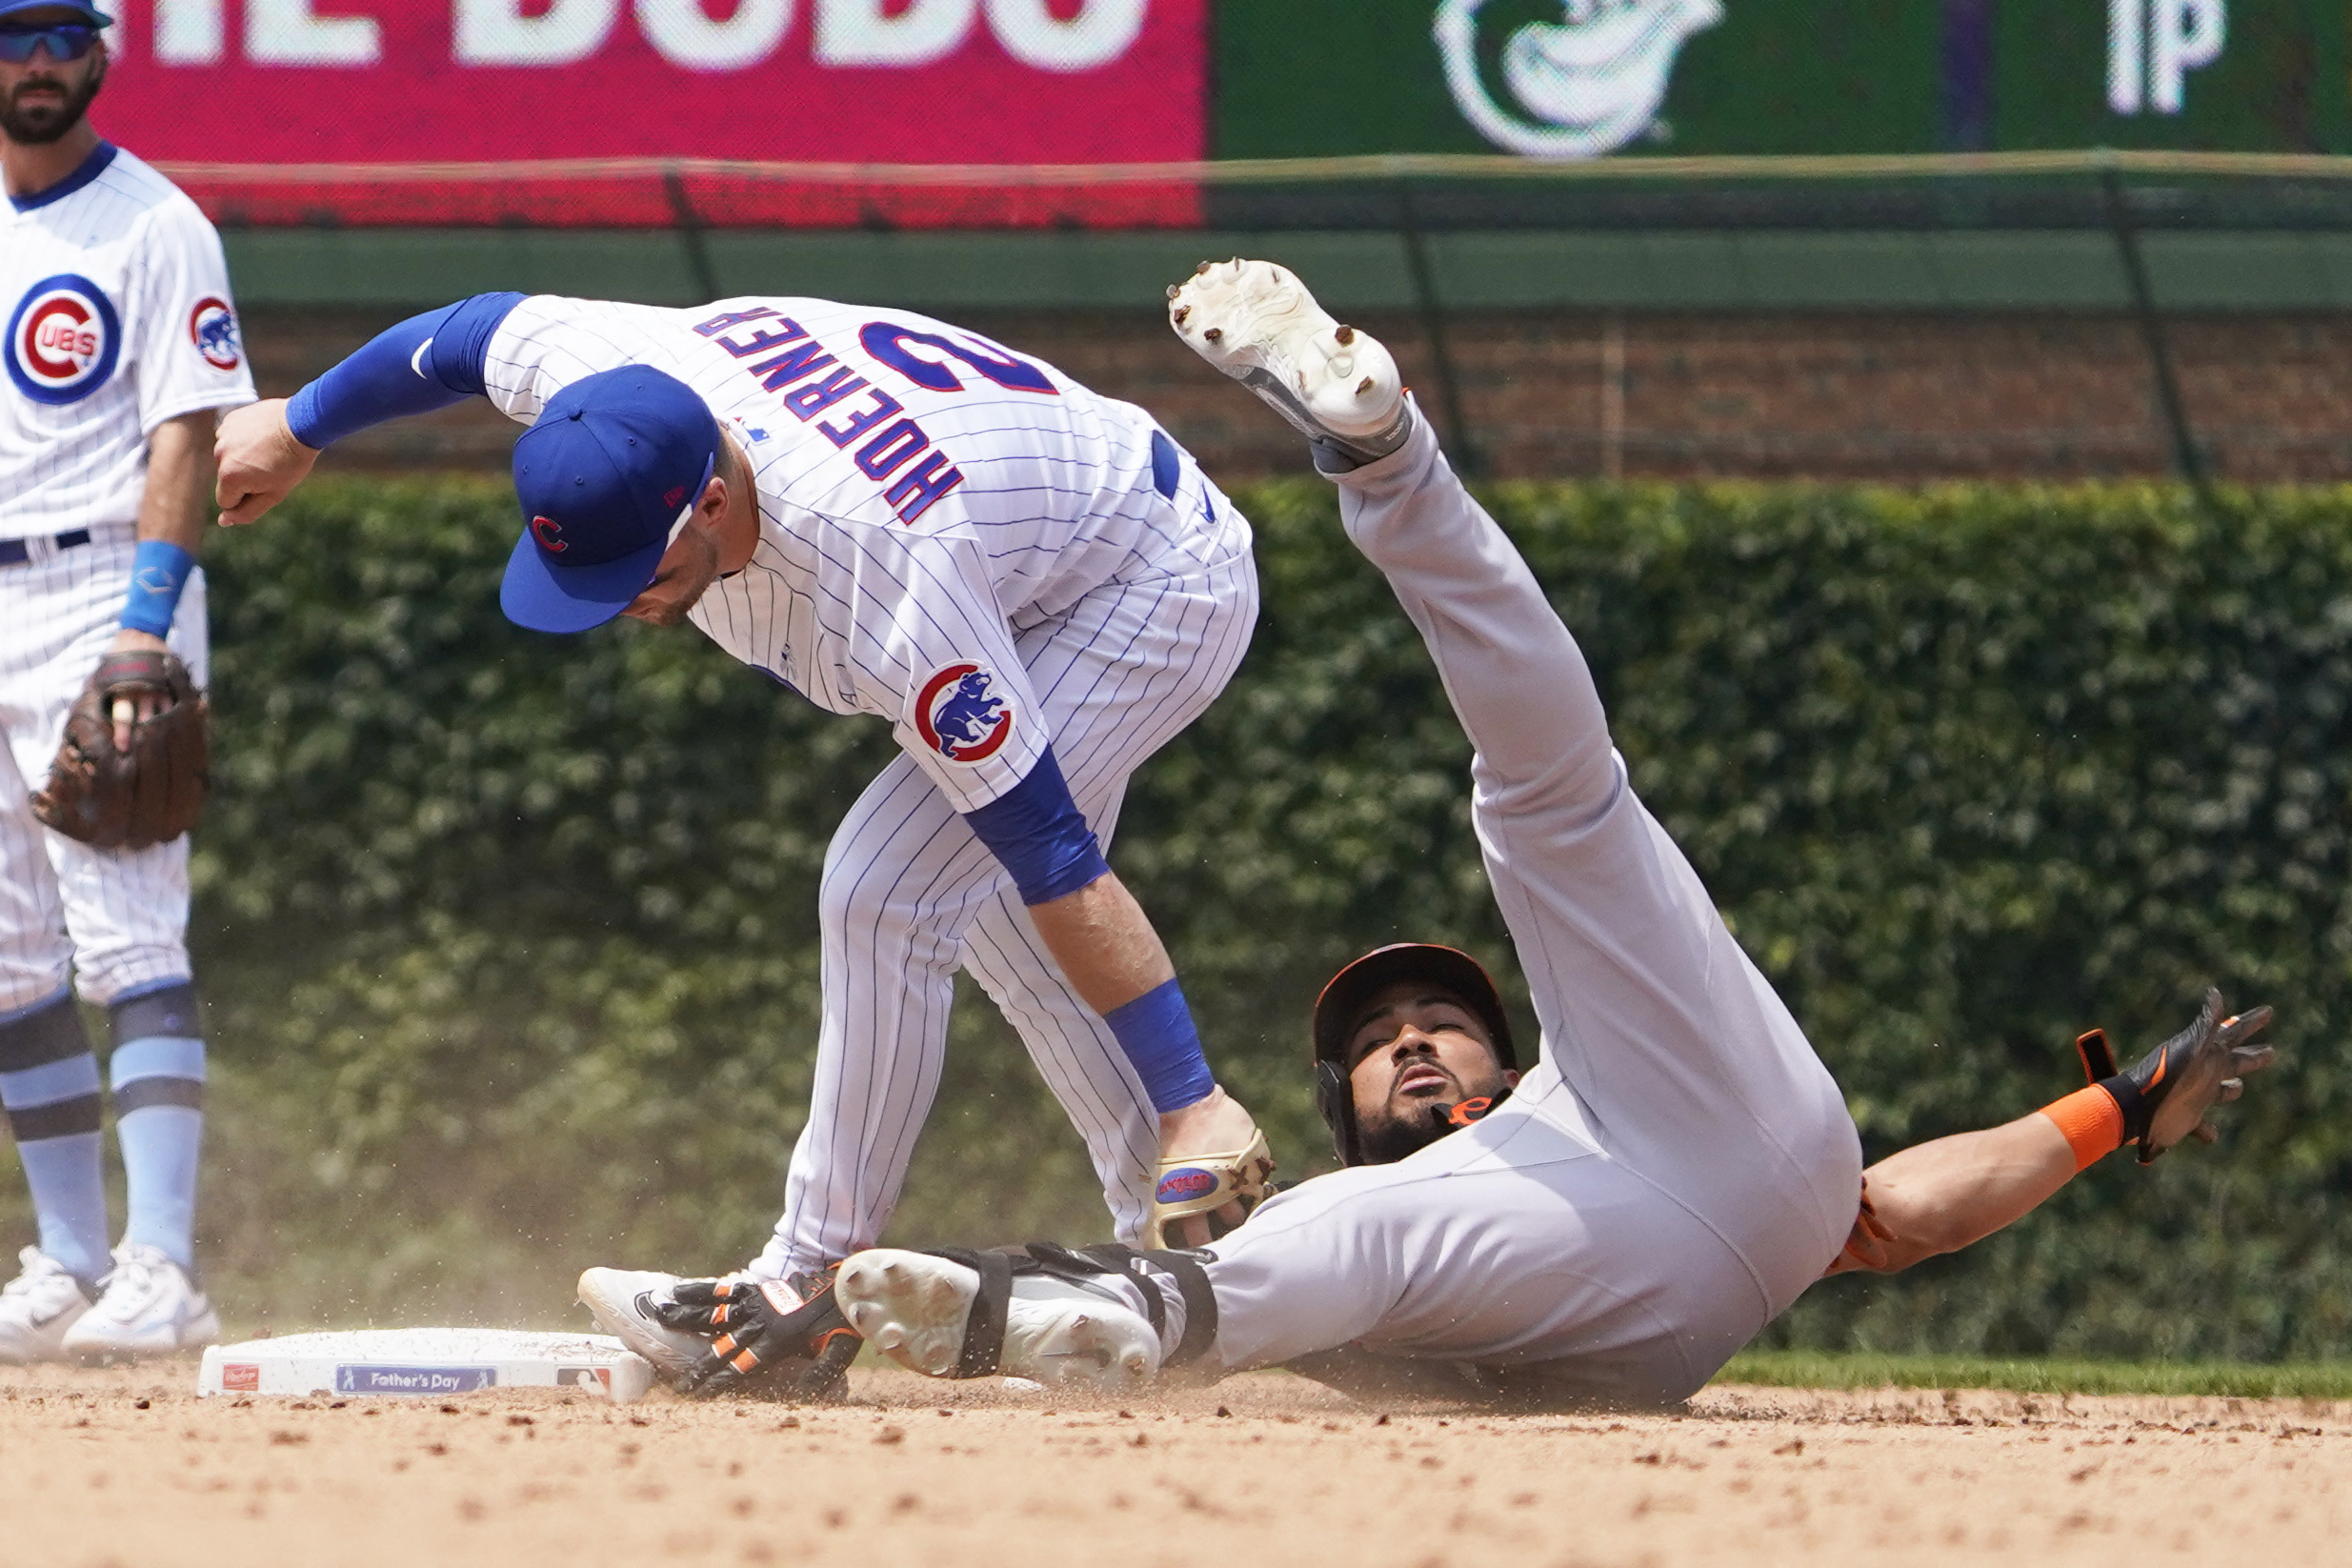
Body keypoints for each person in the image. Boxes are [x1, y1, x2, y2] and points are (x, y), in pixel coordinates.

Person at [702, 259, 2276, 1409]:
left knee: (1545, 794)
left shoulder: (1542, 1104)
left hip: (1694, 1122)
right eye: (1377, 1039)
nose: (1408, 1039)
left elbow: (1886, 1207)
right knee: (1333, 1244)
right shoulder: (1362, 1231)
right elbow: (1902, 1222)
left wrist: (2111, 1114)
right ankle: (1066, 1314)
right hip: (1616, 1293)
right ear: (1335, 1101)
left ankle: (1385, 453)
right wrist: (2119, 1111)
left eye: (1437, 1022)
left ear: (1505, 1054)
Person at [211, 282, 1280, 1382]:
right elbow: (466, 332)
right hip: (1027, 541)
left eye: (642, 572)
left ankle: (807, 1282)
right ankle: (1203, 1275)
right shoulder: (603, 379)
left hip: (1146, 580)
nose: (622, 603)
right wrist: (301, 425)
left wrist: (1191, 1095)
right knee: (983, 908)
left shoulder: (878, 563)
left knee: (890, 886)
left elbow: (1056, 851)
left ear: (712, 503)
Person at [0, 1, 253, 1361]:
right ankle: (69, 1261)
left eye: (57, 36)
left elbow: (186, 429)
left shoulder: (158, 223)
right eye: (10, 35)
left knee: (126, 932)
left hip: (105, 582)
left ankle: (164, 1264)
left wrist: (145, 627)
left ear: (100, 53)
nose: (34, 64)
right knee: (8, 955)